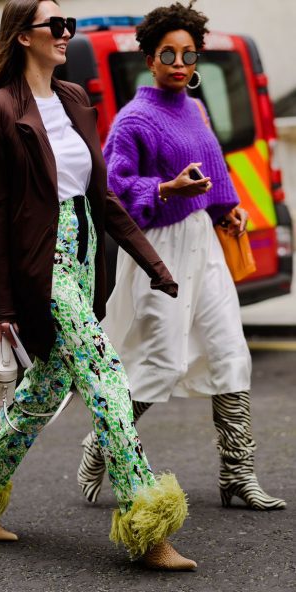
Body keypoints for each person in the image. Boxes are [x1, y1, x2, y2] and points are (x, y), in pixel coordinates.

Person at [0, 0, 198, 570]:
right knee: (107, 379)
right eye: (54, 26)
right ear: (22, 36)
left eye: (69, 25)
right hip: (44, 265)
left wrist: (153, 263)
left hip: (85, 259)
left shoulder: (77, 99)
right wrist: (0, 304)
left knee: (44, 391)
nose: (65, 34)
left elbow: (102, 197)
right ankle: (148, 524)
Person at [77, 1, 286, 513]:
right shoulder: (133, 120)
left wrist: (226, 209)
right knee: (162, 361)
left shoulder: (196, 109)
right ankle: (102, 444)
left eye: (188, 54)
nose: (178, 63)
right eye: (167, 53)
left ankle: (237, 475)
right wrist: (165, 189)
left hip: (204, 244)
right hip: (159, 251)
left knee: (230, 351)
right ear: (149, 58)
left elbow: (214, 168)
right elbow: (115, 191)